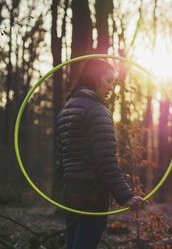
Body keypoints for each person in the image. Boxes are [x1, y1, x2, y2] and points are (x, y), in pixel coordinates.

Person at [56, 58, 146, 249]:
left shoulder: (66, 110)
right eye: (108, 81)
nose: (112, 87)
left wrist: (66, 181)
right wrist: (126, 196)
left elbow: (61, 159)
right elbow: (106, 162)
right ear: (94, 79)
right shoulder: (97, 110)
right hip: (91, 193)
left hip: (70, 190)